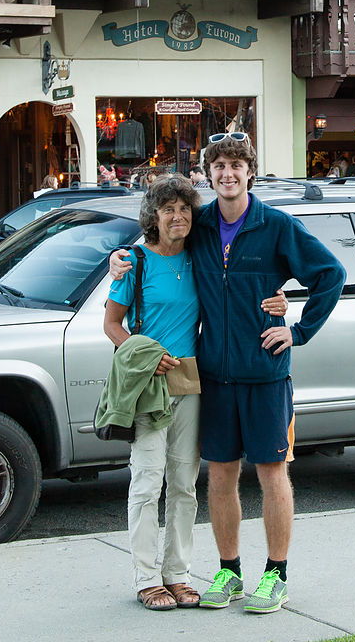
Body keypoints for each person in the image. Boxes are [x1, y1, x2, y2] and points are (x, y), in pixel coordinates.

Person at [111, 133, 345, 615]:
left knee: (272, 473)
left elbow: (332, 274)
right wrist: (121, 257)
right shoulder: (198, 227)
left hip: (264, 375)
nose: (227, 172)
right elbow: (156, 244)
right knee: (218, 476)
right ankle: (229, 570)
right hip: (211, 377)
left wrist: (297, 329)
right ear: (209, 174)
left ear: (250, 172)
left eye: (236, 164)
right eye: (218, 165)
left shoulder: (276, 226)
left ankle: (276, 575)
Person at [103, 175, 289, 611]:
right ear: (153, 216)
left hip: (192, 382)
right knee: (147, 483)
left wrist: (280, 299)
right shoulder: (135, 262)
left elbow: (240, 287)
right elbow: (112, 325)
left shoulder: (200, 257)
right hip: (149, 383)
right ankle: (147, 578)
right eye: (167, 209)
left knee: (184, 485)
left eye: (184, 209)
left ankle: (179, 574)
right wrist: (144, 353)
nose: (177, 216)